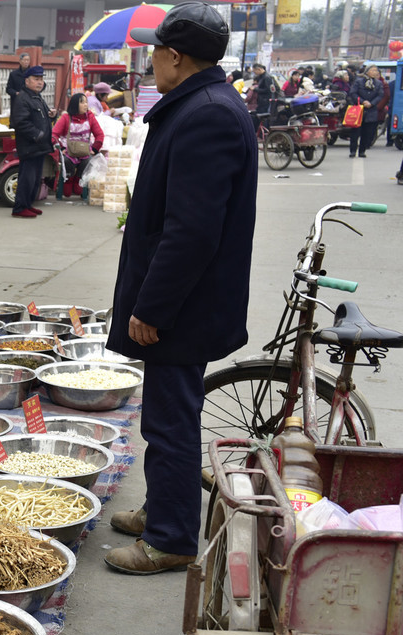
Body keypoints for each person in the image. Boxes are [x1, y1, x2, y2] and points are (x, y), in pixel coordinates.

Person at [103, 2, 257, 575]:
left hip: (183, 305)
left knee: (170, 419)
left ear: (174, 55)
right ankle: (163, 508)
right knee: (165, 416)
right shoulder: (202, 104)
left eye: (154, 52)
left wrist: (152, 306)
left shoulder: (207, 114)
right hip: (185, 299)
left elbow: (191, 230)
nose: (150, 62)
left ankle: (170, 539)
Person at [10, 66, 54, 219]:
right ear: (27, 81)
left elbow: (41, 116)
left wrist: (51, 116)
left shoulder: (36, 97)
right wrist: (37, 134)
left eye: (41, 79)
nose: (39, 82)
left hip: (39, 146)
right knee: (27, 178)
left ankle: (28, 204)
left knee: (35, 179)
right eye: (36, 79)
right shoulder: (22, 98)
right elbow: (21, 122)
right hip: (30, 145)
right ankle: (19, 208)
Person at [51, 93, 103, 197]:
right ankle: (69, 179)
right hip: (69, 152)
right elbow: (54, 135)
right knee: (66, 161)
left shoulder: (90, 117)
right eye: (82, 102)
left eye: (86, 102)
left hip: (85, 152)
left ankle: (79, 178)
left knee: (88, 161)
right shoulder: (66, 118)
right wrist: (61, 148)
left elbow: (100, 135)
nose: (85, 105)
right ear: (75, 104)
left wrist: (95, 149)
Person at [347, 65, 384, 158]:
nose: (375, 72)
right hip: (359, 110)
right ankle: (352, 150)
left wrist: (371, 103)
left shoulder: (378, 83)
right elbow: (353, 93)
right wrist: (363, 101)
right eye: (373, 70)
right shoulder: (359, 81)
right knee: (355, 132)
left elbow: (380, 95)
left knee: (367, 133)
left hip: (371, 110)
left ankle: (362, 151)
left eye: (376, 70)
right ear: (367, 72)